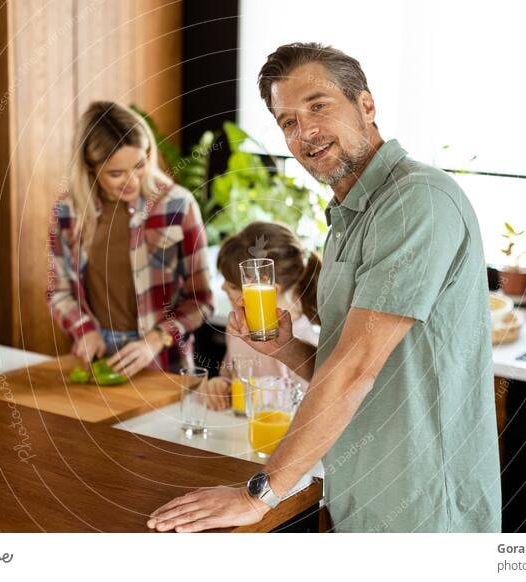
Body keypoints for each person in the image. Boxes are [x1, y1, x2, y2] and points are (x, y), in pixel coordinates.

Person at [148, 43, 501, 533]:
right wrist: (286, 347)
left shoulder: (416, 200)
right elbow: (349, 367)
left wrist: (261, 494)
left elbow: (357, 369)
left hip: (423, 509)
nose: (305, 131)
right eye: (287, 121)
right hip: (361, 495)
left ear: (367, 105)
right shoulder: (349, 218)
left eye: (318, 105)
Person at [47, 101, 213, 375]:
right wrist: (83, 331)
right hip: (97, 356)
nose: (132, 181)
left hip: (164, 361)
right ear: (90, 168)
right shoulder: (67, 212)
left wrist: (156, 338)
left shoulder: (178, 205)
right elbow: (59, 291)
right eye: (116, 174)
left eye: (140, 165)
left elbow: (202, 300)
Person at [205, 222, 321, 410]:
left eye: (233, 286)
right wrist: (220, 384)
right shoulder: (239, 325)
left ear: (267, 291)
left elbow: (308, 406)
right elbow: (230, 374)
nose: (222, 287)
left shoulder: (305, 341)